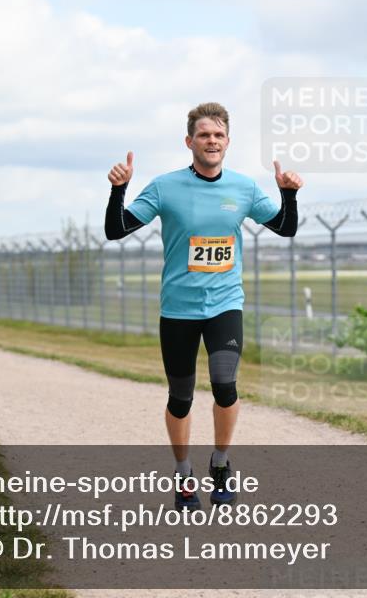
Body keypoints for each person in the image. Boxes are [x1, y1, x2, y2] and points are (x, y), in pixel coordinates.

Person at [105, 102, 302, 510]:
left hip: (225, 304)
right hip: (178, 308)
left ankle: (221, 463)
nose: (211, 141)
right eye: (203, 135)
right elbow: (116, 229)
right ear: (189, 141)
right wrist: (118, 189)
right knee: (181, 397)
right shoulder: (165, 187)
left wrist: (289, 194)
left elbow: (285, 227)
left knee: (225, 386)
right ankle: (183, 473)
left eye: (218, 135)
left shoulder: (244, 188)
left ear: (228, 142)